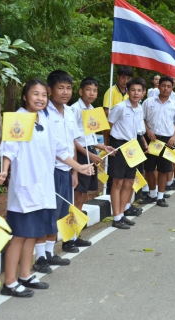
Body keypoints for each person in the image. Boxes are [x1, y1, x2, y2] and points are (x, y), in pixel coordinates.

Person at [0, 79, 93, 297]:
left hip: (43, 187)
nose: (40, 98)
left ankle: (25, 275)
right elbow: (8, 149)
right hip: (24, 188)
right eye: (35, 94)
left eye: (43, 95)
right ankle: (9, 283)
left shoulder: (45, 118)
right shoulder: (20, 118)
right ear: (25, 96)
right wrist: (4, 170)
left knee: (33, 234)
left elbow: (60, 149)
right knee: (20, 236)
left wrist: (78, 166)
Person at [45, 70, 83, 256]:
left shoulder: (69, 112)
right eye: (61, 88)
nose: (65, 92)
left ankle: (67, 242)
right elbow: (55, 148)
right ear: (50, 90)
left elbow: (72, 143)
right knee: (51, 213)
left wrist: (74, 172)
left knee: (65, 211)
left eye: (68, 88)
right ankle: (46, 254)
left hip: (67, 170)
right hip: (51, 170)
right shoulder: (45, 113)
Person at [71, 77, 115, 231]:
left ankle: (78, 229)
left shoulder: (93, 110)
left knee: (84, 194)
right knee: (78, 193)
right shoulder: (75, 109)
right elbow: (72, 139)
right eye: (88, 89)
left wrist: (103, 147)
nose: (92, 93)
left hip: (90, 151)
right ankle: (72, 231)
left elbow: (90, 137)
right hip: (80, 155)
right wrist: (88, 154)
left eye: (95, 90)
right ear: (81, 91)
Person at [107, 77, 147, 228]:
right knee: (118, 182)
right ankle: (116, 217)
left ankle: (122, 213)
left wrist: (143, 143)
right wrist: (107, 147)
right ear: (128, 91)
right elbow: (107, 127)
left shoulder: (139, 108)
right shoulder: (120, 107)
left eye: (139, 90)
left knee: (129, 182)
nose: (136, 93)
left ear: (143, 93)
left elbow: (138, 130)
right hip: (118, 145)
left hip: (133, 146)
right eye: (133, 90)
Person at [143, 76, 175, 207]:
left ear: (172, 88)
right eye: (163, 86)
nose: (165, 89)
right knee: (149, 168)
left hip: (167, 140)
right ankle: (152, 193)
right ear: (158, 86)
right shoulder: (148, 102)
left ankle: (161, 197)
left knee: (163, 169)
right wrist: (148, 131)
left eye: (169, 86)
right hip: (150, 138)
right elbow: (142, 119)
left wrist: (174, 137)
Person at [102, 66, 133, 145]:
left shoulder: (130, 93)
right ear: (118, 77)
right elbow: (106, 111)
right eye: (123, 78)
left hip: (125, 129)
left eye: (128, 78)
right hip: (111, 128)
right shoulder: (111, 91)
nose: (125, 81)